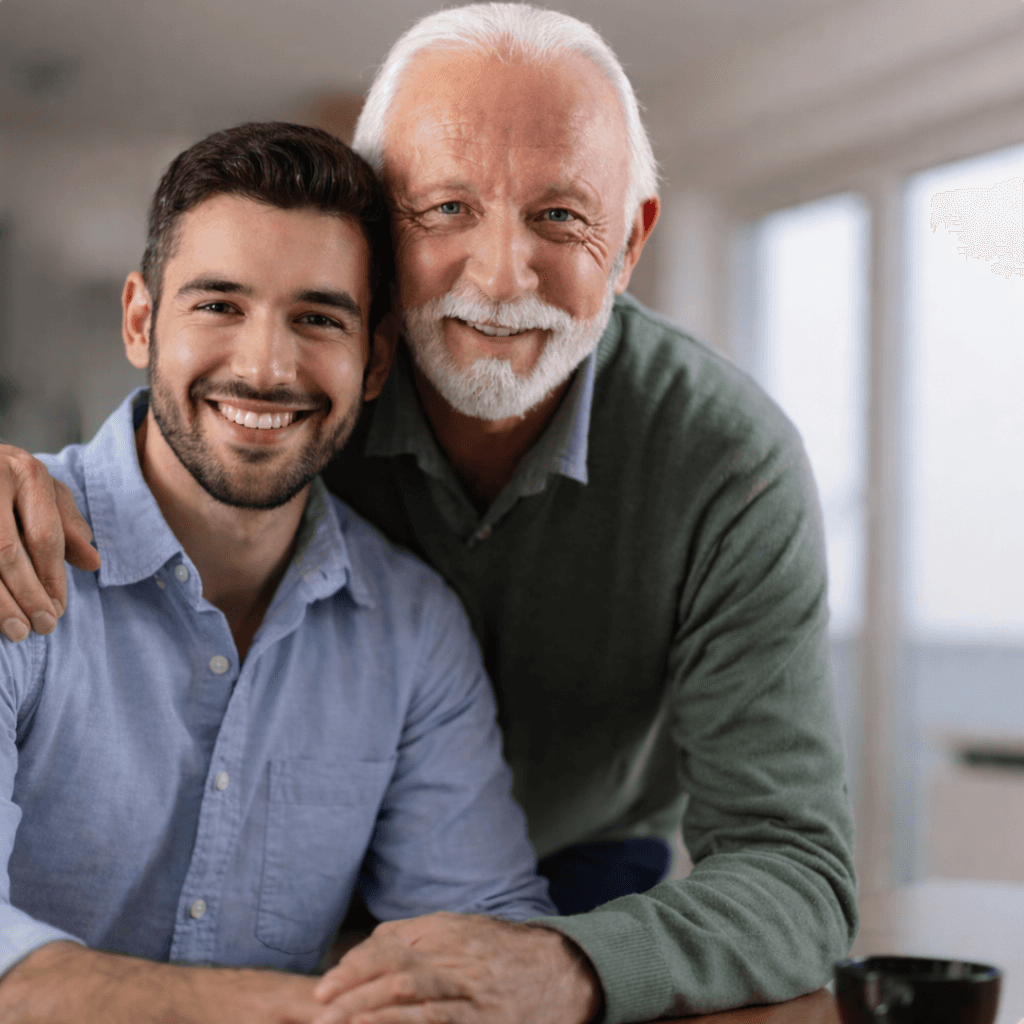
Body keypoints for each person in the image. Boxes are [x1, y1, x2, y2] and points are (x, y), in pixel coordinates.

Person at [0, 5, 858, 1023]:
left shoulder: (722, 465)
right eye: (445, 207)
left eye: (560, 215)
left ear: (628, 244)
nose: (499, 278)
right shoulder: (54, 540)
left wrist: (562, 965)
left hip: (574, 873)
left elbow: (789, 867)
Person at [0, 121, 570, 1024]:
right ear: (141, 321)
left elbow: (480, 942)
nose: (265, 367)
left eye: (317, 318)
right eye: (218, 305)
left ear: (375, 359)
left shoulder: (412, 632)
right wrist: (312, 1013)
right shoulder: (11, 551)